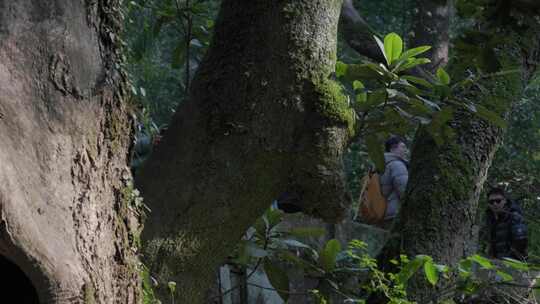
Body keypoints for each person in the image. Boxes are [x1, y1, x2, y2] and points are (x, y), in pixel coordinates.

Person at [484, 187, 528, 260]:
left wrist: (507, 260)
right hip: (497, 261)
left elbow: (521, 242)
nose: (495, 204)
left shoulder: (514, 216)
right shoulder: (490, 218)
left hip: (514, 262)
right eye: (491, 202)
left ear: (505, 201)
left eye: (498, 201)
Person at [379, 136, 409, 220]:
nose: (405, 150)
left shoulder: (382, 165)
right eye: (403, 147)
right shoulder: (396, 165)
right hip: (395, 213)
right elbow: (404, 190)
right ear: (392, 149)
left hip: (383, 212)